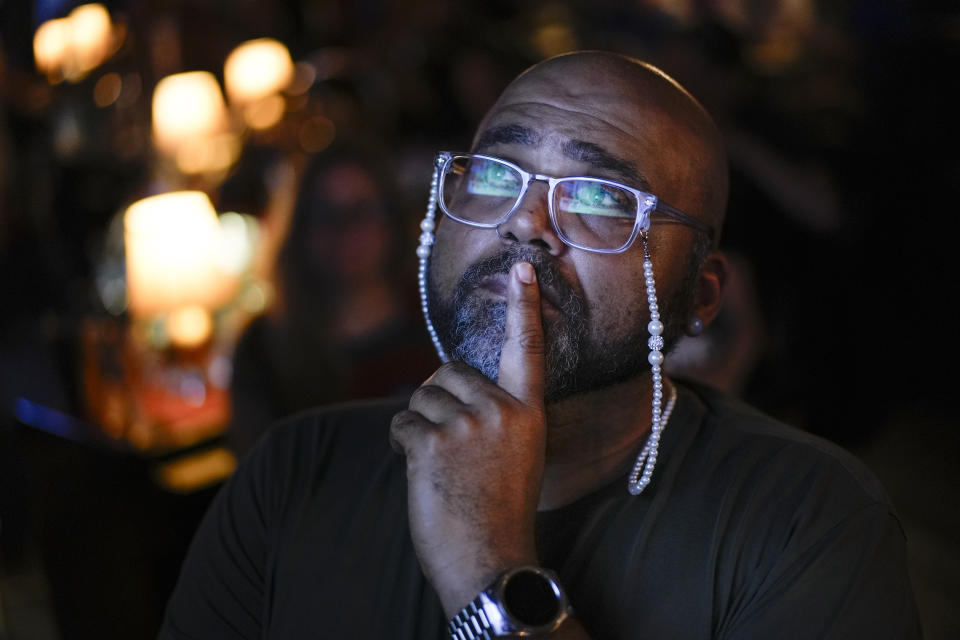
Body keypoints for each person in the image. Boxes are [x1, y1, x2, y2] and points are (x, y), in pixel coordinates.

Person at [159, 51, 920, 639]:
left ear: (700, 295)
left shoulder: (809, 521)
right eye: (497, 175)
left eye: (598, 199)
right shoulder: (293, 473)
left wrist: (489, 570)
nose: (525, 223)